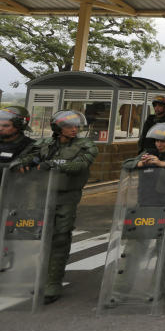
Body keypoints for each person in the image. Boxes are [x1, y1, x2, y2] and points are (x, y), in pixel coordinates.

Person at [12, 110, 97, 304]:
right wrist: (23, 164)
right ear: (57, 128)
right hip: (40, 195)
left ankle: (53, 282)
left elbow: (80, 165)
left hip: (66, 196)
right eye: (69, 126)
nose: (74, 129)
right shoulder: (43, 145)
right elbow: (24, 157)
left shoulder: (86, 145)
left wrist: (54, 165)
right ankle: (34, 277)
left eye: (76, 126)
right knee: (37, 235)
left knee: (60, 237)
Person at [120, 121, 165, 274]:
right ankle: (127, 280)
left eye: (163, 141)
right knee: (138, 240)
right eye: (157, 141)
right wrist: (139, 163)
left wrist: (162, 163)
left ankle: (161, 277)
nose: (159, 144)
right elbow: (126, 164)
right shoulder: (148, 152)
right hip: (148, 203)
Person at [0, 105, 35, 185]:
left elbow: (14, 168)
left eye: (6, 125)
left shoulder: (32, 146)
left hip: (13, 191)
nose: (0, 128)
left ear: (20, 126)